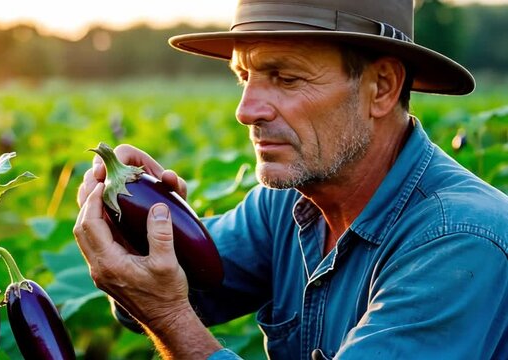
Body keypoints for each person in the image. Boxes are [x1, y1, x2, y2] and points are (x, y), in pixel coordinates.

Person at [74, 0, 508, 358]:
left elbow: (168, 306)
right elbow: (157, 294)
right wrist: (130, 223)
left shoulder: (459, 239)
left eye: (285, 78)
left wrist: (170, 318)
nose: (246, 110)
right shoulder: (285, 203)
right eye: (245, 77)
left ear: (382, 87)